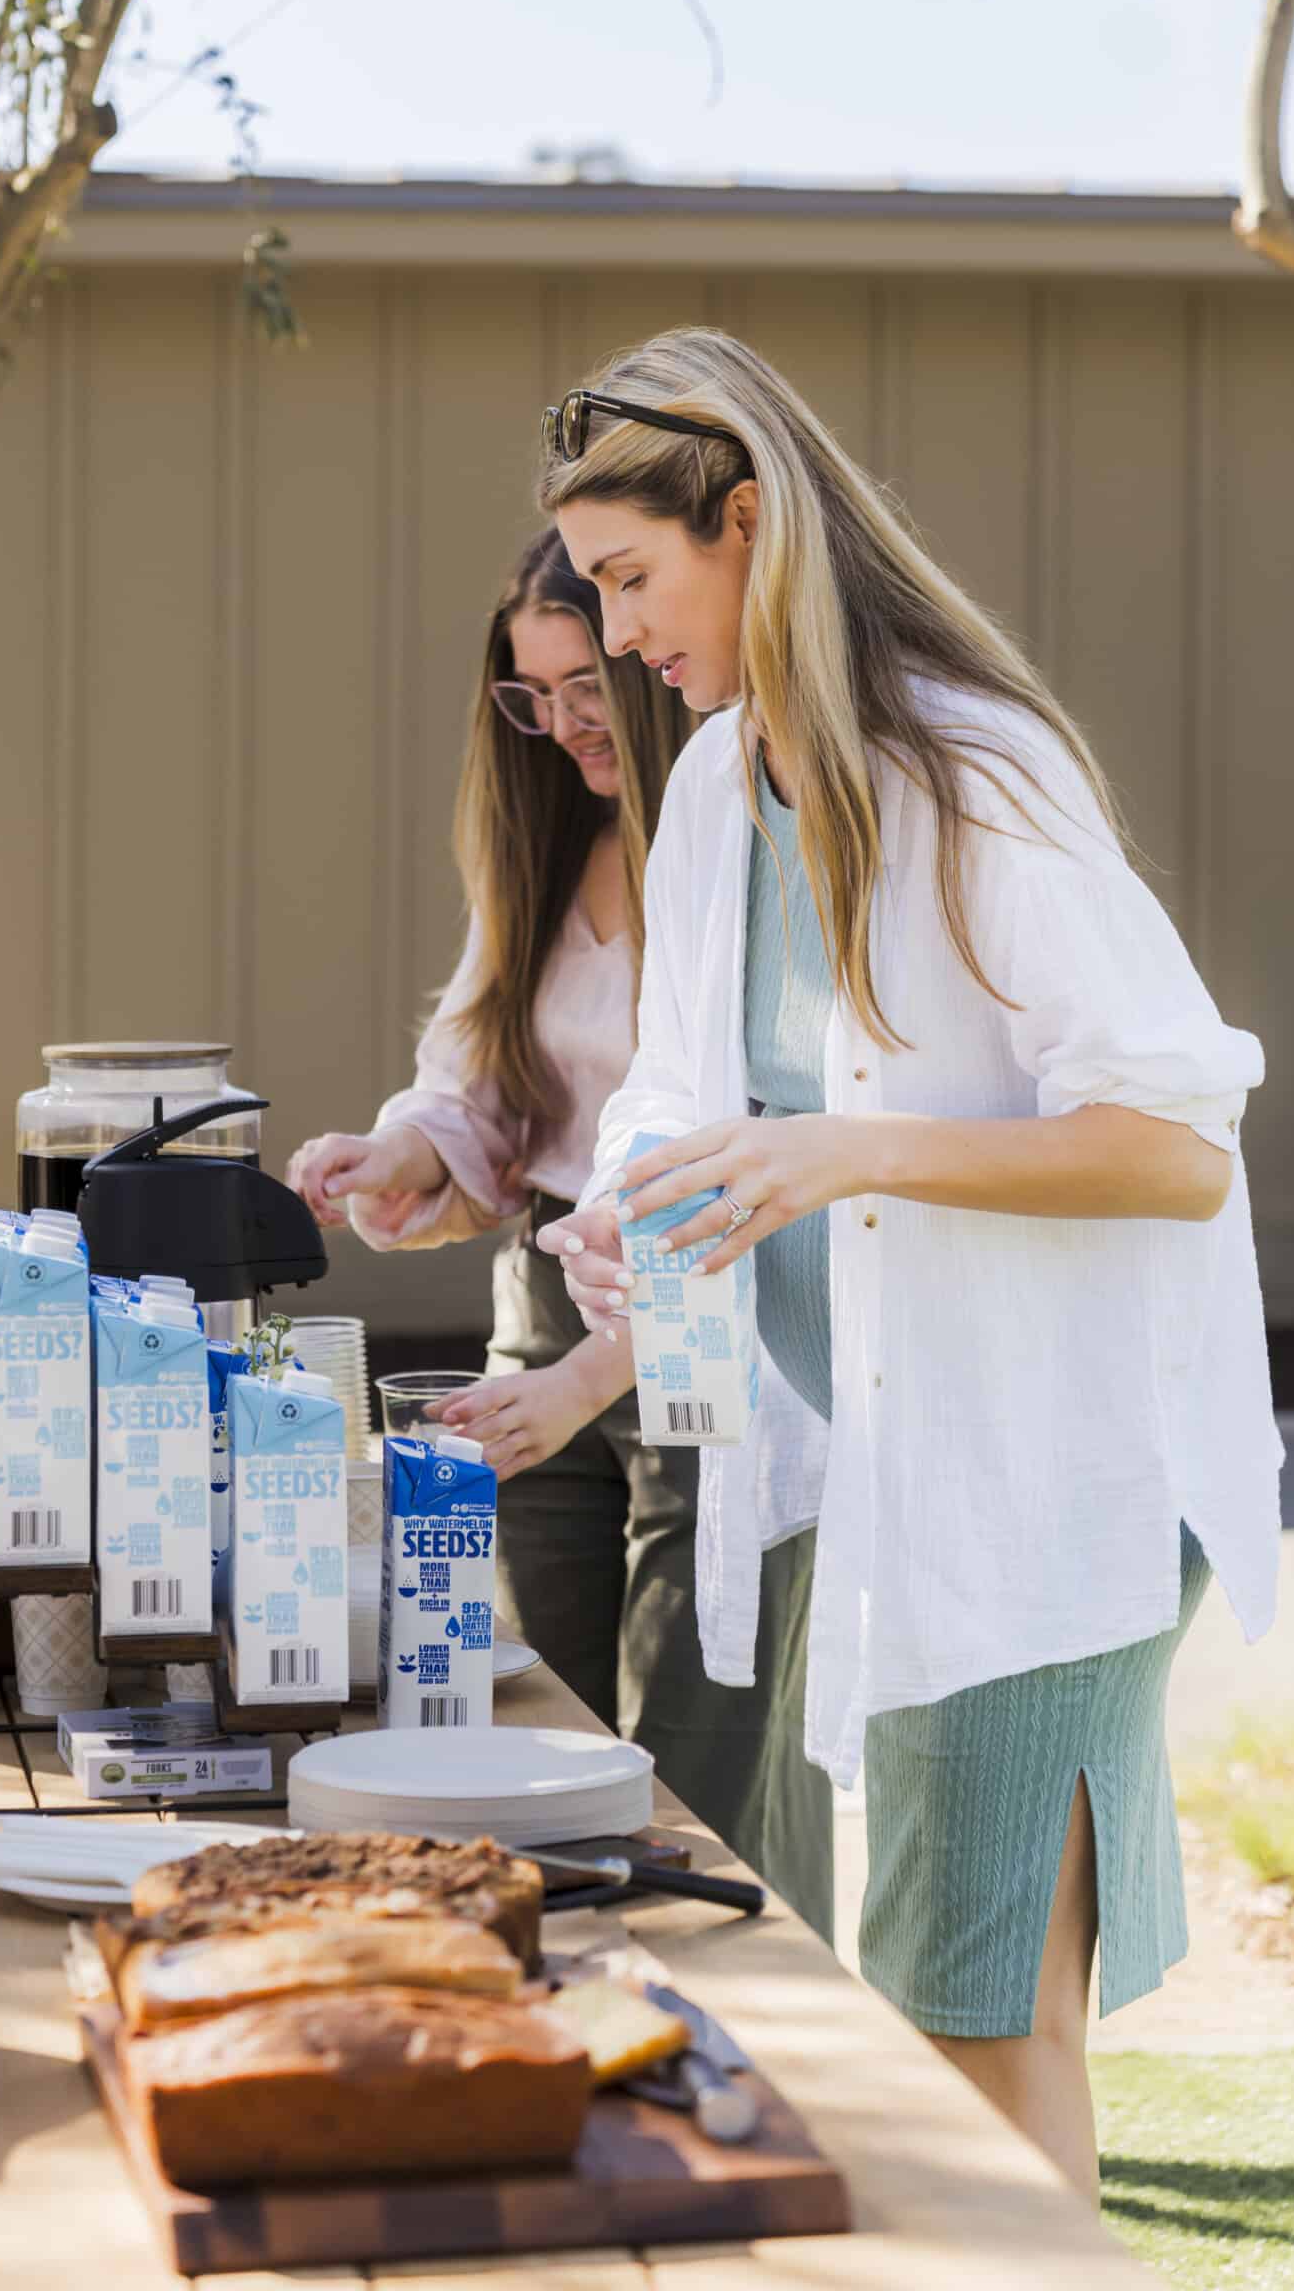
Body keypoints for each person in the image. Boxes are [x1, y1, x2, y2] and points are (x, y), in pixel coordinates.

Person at [534, 331, 1280, 2201]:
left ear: (749, 521)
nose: (617, 636)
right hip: (878, 1476)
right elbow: (685, 1092)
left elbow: (1175, 1148)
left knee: (975, 2023)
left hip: (1047, 1492)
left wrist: (847, 1152)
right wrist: (631, 1223)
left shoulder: (971, 769)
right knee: (938, 2006)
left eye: (633, 578)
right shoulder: (723, 785)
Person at [288, 527, 834, 1938]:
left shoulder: (751, 841)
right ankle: (578, 2026)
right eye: (531, 697)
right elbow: (480, 1083)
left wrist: (602, 1368)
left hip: (713, 1322)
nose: (565, 723)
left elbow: (754, 1136)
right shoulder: (541, 847)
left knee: (705, 1763)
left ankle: (766, 2035)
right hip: (543, 1325)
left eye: (586, 682)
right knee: (541, 1738)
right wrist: (400, 1150)